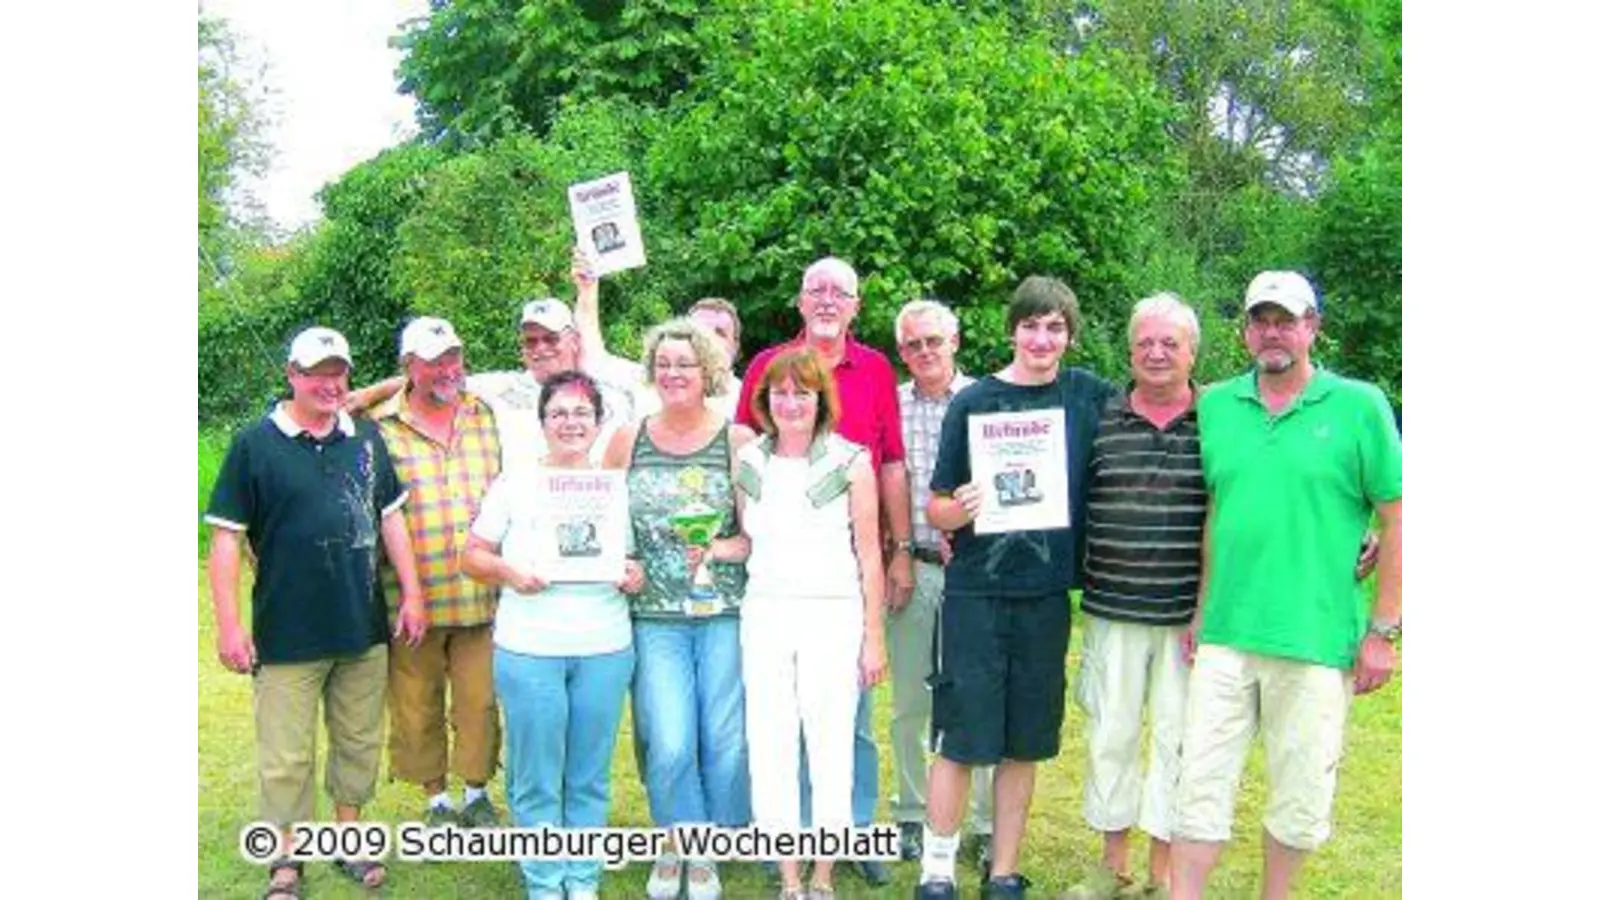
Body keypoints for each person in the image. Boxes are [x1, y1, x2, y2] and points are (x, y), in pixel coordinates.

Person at [1168, 272, 1402, 900]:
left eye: (1287, 320)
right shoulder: (1217, 405)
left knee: (1300, 798)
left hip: (1315, 638)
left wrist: (1382, 631)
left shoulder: (1360, 406)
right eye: (1261, 320)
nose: (1273, 332)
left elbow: (1398, 516)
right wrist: (1201, 608)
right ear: (1245, 331)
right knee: (1198, 790)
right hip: (1226, 633)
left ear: (1312, 328)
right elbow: (1220, 511)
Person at [205, 325, 428, 899]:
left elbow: (391, 519)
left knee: (358, 743)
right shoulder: (254, 444)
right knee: (286, 756)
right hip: (286, 633)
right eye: (316, 373)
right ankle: (285, 860)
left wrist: (412, 593)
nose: (330, 384)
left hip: (361, 626)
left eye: (338, 373)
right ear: (292, 375)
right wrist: (229, 626)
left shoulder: (366, 438)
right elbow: (226, 539)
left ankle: (348, 841)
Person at [919, 277, 1117, 899]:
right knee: (960, 737)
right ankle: (937, 870)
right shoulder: (973, 402)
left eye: (1055, 327)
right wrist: (961, 508)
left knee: (1023, 741)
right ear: (1012, 331)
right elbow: (937, 506)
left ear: (1070, 336)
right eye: (1031, 325)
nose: (1041, 338)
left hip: (1047, 595)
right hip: (976, 593)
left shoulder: (1087, 396)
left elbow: (1168, 403)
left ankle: (1002, 870)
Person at [734, 257, 913, 888]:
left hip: (836, 604)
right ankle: (788, 866)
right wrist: (704, 548)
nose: (828, 300)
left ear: (856, 304)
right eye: (817, 290)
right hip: (768, 611)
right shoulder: (759, 404)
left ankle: (834, 856)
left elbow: (890, 468)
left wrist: (900, 553)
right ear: (800, 300)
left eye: (841, 291)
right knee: (773, 737)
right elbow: (746, 525)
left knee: (839, 733)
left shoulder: (872, 382)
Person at [462, 369, 646, 900]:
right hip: (531, 648)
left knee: (588, 773)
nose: (570, 422)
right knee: (537, 774)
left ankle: (582, 878)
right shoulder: (516, 482)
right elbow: (472, 556)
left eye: (582, 412)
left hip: (604, 646)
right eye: (558, 413)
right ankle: (544, 880)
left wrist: (633, 574)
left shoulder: (615, 488)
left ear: (599, 421)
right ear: (541, 422)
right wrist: (511, 573)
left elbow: (633, 560)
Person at [602, 318, 758, 900]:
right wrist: (623, 561)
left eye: (685, 364)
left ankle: (704, 848)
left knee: (724, 740)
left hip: (723, 612)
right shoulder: (628, 439)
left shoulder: (737, 442)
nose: (673, 373)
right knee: (667, 740)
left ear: (707, 371)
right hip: (653, 616)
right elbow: (602, 525)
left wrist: (718, 548)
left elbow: (754, 536)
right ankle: (676, 841)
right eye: (663, 363)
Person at [1061, 294, 1206, 900]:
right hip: (1111, 609)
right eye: (1145, 342)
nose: (1156, 353)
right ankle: (1111, 865)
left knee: (1179, 741)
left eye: (1170, 343)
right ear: (1129, 351)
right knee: (1110, 737)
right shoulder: (1100, 416)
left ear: (1193, 352)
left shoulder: (1220, 419)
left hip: (1186, 617)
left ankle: (1161, 873)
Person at [368, 317, 504, 829]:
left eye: (453, 357)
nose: (447, 369)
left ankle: (476, 793)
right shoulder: (379, 426)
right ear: (408, 366)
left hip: (481, 592)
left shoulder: (487, 412)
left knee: (479, 701)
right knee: (415, 702)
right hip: (411, 595)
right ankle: (437, 802)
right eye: (433, 361)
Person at [347, 255, 653, 473]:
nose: (540, 348)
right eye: (530, 341)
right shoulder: (504, 388)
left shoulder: (615, 384)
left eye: (551, 338)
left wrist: (588, 289)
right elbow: (437, 378)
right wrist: (366, 395)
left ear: (574, 340)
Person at [890, 298, 995, 872]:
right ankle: (910, 813)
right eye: (913, 344)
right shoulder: (892, 404)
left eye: (934, 340)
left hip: (977, 569)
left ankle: (983, 823)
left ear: (954, 341)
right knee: (910, 700)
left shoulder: (986, 399)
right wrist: (898, 554)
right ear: (901, 351)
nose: (925, 351)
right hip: (916, 564)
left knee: (977, 698)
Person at [687, 297, 745, 419]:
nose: (709, 339)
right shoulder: (650, 395)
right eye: (700, 331)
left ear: (735, 346)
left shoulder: (748, 402)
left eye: (719, 333)